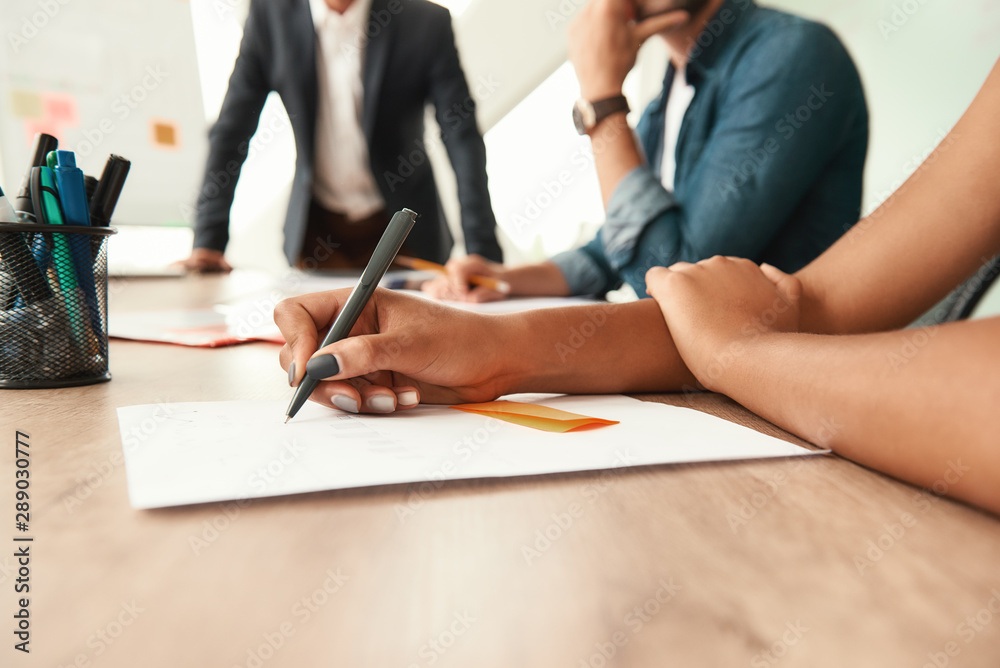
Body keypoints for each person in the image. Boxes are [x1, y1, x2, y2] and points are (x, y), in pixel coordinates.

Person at [274, 60, 1000, 514]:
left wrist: (740, 354)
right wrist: (493, 348)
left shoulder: (788, 59)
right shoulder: (670, 93)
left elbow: (696, 274)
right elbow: (799, 305)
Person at [424, 0, 868, 302]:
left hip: (775, 378)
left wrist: (601, 100)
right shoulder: (675, 83)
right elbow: (613, 248)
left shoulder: (791, 53)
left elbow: (677, 278)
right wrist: (507, 282)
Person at [180, 0, 503, 273]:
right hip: (317, 237)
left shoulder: (425, 21)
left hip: (406, 239)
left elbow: (462, 136)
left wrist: (483, 250)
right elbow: (231, 131)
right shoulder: (270, 15)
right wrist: (208, 242)